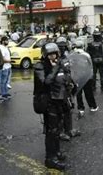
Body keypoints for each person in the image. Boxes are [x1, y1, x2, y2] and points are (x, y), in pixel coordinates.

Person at [33, 43, 75, 171]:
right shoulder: (40, 66)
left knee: (58, 129)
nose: (53, 56)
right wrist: (56, 67)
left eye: (55, 54)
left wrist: (71, 86)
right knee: (51, 131)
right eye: (50, 54)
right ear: (45, 55)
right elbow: (46, 82)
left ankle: (56, 152)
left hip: (59, 101)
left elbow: (65, 80)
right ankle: (50, 158)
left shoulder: (60, 65)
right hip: (47, 102)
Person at [55, 37, 81, 141]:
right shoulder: (53, 59)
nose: (62, 49)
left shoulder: (66, 57)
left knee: (68, 109)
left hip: (67, 88)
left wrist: (73, 83)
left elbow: (70, 72)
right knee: (59, 112)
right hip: (57, 90)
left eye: (63, 46)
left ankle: (68, 130)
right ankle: (60, 132)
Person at [73, 40, 98, 117]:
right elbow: (90, 66)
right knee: (88, 92)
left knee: (78, 93)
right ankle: (93, 106)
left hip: (77, 77)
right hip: (86, 76)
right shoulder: (86, 55)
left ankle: (81, 108)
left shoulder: (73, 55)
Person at [0, 36, 12, 100]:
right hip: (4, 67)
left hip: (8, 66)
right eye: (7, 40)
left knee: (6, 81)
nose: (8, 42)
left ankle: (5, 93)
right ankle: (3, 94)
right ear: (3, 41)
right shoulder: (1, 48)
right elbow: (2, 59)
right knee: (3, 81)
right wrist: (9, 61)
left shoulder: (5, 47)